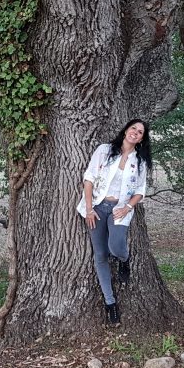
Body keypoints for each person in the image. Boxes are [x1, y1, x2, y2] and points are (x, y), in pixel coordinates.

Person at [75, 119, 151, 325]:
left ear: (142, 138)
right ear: (126, 130)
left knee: (116, 246)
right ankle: (111, 304)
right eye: (133, 128)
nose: (135, 132)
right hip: (97, 209)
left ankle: (124, 260)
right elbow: (89, 178)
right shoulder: (105, 150)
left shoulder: (140, 162)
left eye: (140, 132)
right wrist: (89, 208)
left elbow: (140, 191)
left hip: (120, 210)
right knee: (100, 255)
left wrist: (127, 207)